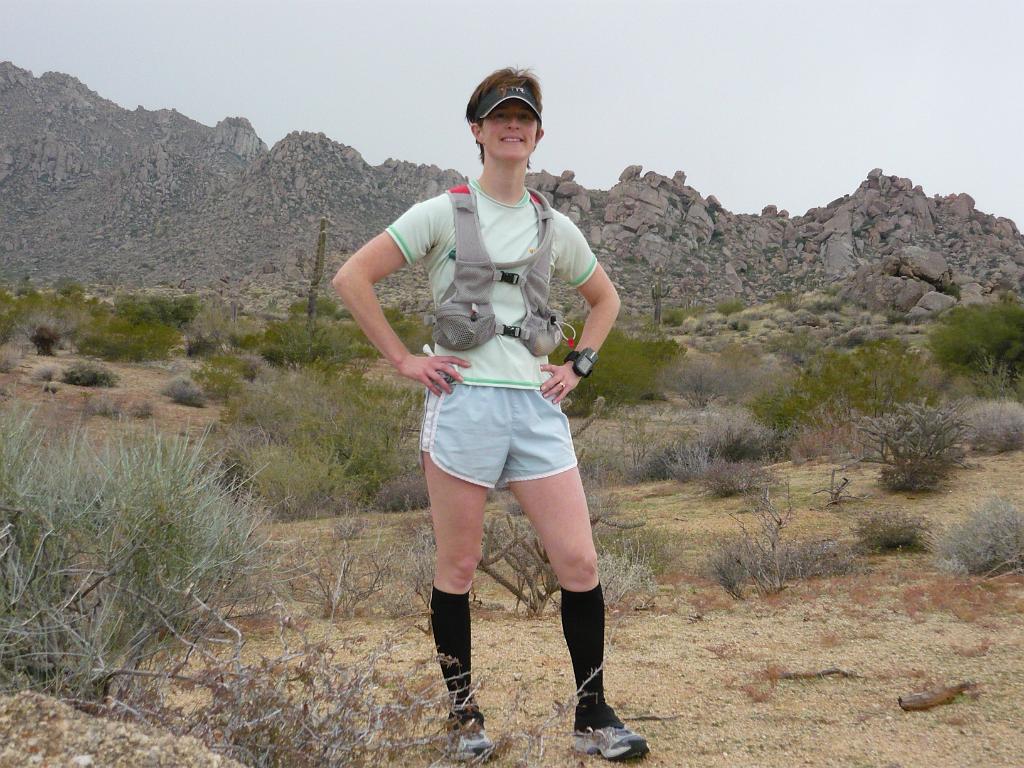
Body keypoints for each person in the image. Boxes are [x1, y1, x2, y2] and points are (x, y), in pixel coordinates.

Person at [332, 68, 649, 763]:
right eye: (499, 116)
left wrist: (577, 366)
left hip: (535, 410)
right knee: (460, 563)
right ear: (477, 131)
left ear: (537, 136)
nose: (513, 127)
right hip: (463, 403)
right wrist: (402, 360)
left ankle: (593, 714)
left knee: (578, 559)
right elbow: (351, 276)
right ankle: (463, 717)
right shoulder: (442, 213)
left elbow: (606, 301)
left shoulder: (554, 226)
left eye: (524, 118)